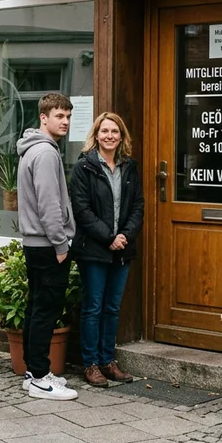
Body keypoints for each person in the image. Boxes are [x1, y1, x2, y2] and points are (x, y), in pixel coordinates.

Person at [70, 112, 143, 387]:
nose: (109, 136)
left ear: (121, 136)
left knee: (112, 307)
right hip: (94, 250)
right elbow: (82, 211)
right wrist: (109, 237)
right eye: (105, 131)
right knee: (93, 307)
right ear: (96, 135)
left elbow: (138, 206)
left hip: (122, 249)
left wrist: (124, 235)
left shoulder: (129, 167)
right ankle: (90, 364)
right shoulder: (84, 167)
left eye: (115, 132)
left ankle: (107, 360)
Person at [17, 92, 79, 401]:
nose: (65, 121)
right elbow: (49, 205)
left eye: (68, 116)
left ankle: (33, 372)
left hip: (36, 243)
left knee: (37, 307)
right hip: (47, 244)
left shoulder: (37, 150)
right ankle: (40, 377)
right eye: (59, 116)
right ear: (44, 118)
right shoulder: (45, 153)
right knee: (46, 309)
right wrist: (61, 244)